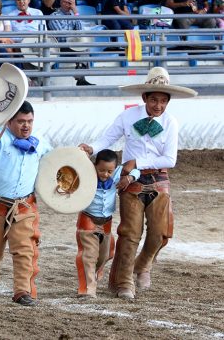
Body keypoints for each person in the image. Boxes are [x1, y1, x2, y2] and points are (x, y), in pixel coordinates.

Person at [79, 66, 197, 299]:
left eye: (163, 101)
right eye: (154, 99)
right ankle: (124, 283)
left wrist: (136, 162)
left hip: (158, 178)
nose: (158, 105)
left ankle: (142, 265)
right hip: (131, 182)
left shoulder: (171, 122)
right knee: (130, 233)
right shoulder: (128, 116)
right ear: (144, 98)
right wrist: (92, 147)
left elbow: (170, 159)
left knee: (160, 233)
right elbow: (108, 138)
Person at [0, 100, 52, 306]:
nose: (26, 125)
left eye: (29, 121)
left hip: (23, 206)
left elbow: (55, 163)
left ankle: (22, 291)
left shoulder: (41, 143)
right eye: (20, 121)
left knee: (25, 249)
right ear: (9, 122)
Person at [75, 149, 140, 298]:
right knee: (88, 255)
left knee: (104, 255)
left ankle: (95, 272)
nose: (105, 174)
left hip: (106, 223)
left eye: (109, 171)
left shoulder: (117, 174)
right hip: (88, 220)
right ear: (94, 166)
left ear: (116, 169)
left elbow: (137, 172)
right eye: (101, 170)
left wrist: (129, 177)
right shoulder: (87, 174)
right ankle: (87, 290)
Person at [47, 0, 93, 86]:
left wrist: (76, 13)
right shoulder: (54, 16)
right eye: (67, 2)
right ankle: (80, 78)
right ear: (61, 2)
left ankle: (81, 79)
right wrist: (74, 36)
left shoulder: (74, 15)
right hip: (59, 46)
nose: (69, 5)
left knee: (85, 47)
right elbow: (61, 36)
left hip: (73, 45)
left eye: (71, 3)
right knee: (82, 48)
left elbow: (80, 32)